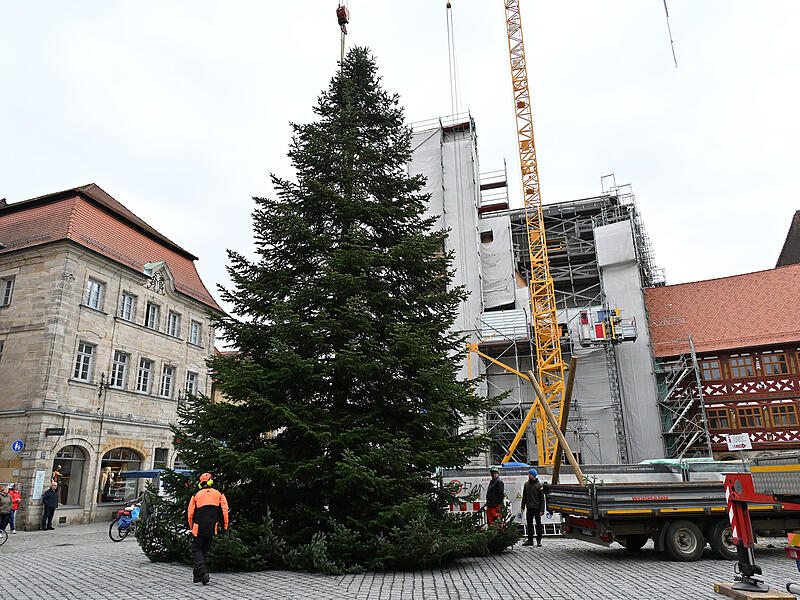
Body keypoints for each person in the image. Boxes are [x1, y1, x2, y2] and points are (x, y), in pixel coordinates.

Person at [187, 473, 229, 585]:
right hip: (212, 527)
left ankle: (203, 572)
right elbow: (225, 512)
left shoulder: (196, 495)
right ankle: (197, 576)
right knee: (204, 550)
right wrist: (225, 526)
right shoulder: (220, 494)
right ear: (211, 481)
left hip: (198, 527)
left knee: (196, 550)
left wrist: (192, 527)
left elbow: (190, 514)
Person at [521, 468, 544, 546]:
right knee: (529, 524)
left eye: (530, 474)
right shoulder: (526, 484)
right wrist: (523, 506)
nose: (528, 475)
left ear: (534, 475)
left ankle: (539, 540)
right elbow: (524, 496)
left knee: (538, 525)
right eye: (528, 474)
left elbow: (542, 499)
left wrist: (542, 509)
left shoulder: (539, 485)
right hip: (529, 507)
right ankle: (530, 540)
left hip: (537, 508)